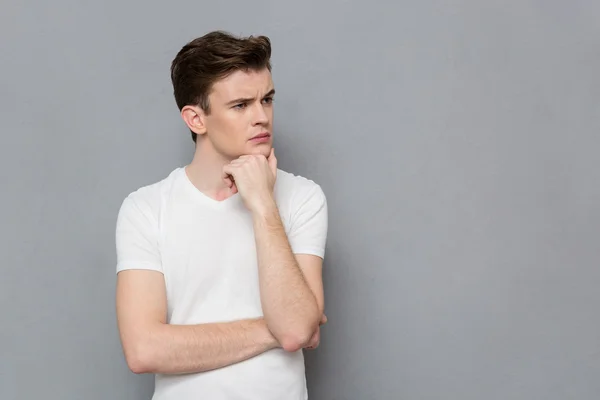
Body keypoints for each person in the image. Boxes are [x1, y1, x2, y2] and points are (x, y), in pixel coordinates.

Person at [114, 30, 329, 400]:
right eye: (241, 105)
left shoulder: (304, 198)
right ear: (196, 119)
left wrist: (263, 203)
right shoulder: (146, 209)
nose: (262, 117)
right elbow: (144, 349)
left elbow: (296, 330)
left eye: (268, 99)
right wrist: (273, 330)